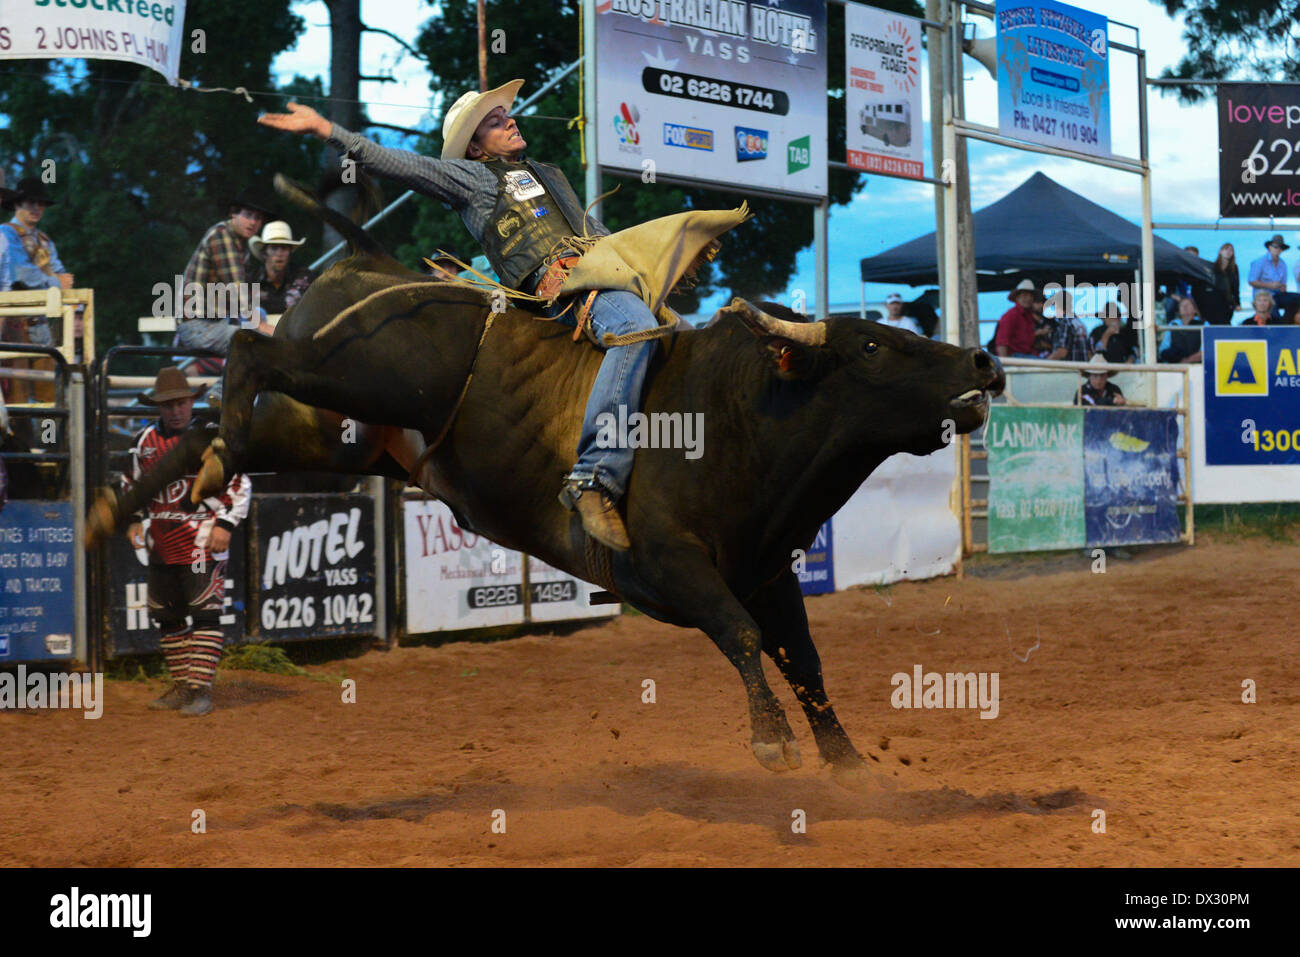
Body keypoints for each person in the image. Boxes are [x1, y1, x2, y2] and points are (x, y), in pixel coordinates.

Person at [259, 80, 700, 551]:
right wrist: (327, 128)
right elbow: (402, 164)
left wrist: (659, 260)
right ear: (473, 146)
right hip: (567, 289)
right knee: (636, 329)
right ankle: (595, 476)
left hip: (603, 275)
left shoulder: (550, 175)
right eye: (494, 121)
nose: (509, 120)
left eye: (506, 115)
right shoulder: (472, 179)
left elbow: (600, 235)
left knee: (691, 344)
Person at [124, 367, 250, 717]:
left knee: (205, 614)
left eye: (181, 403)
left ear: (191, 403)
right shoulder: (144, 443)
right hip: (162, 542)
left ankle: (199, 689)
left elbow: (239, 482)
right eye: (168, 405)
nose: (175, 410)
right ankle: (183, 685)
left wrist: (225, 523)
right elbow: (131, 484)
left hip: (202, 541)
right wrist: (134, 519)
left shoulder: (211, 440)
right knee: (168, 616)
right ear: (158, 408)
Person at [0, 177, 71, 404]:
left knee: (48, 394)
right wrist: (55, 283)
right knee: (16, 395)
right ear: (16, 204)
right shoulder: (5, 233)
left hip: (41, 325)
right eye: (30, 202)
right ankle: (21, 439)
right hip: (13, 324)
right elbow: (20, 272)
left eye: (40, 203)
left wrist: (57, 281)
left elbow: (64, 275)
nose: (36, 208)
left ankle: (46, 439)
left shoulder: (44, 240)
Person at [248, 220, 313, 318]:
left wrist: (261, 298)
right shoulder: (251, 278)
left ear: (289, 252)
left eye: (284, 248)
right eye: (274, 248)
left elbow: (293, 305)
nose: (279, 253)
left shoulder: (303, 274)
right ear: (264, 253)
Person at [1247, 235, 1293, 317]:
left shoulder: (1283, 264)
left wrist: (1282, 287)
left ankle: (1288, 321)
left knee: (1297, 299)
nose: (1278, 249)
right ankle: (1281, 323)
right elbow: (1252, 281)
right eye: (1275, 246)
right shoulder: (1259, 262)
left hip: (1278, 295)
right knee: (1274, 315)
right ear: (1269, 247)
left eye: (1281, 247)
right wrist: (1270, 285)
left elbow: (1284, 285)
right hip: (1264, 296)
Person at [993, 279, 1039, 358]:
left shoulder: (1029, 316)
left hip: (1026, 355)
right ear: (1017, 298)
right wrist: (1005, 363)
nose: (1028, 299)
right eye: (1024, 296)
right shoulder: (1011, 315)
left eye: (1031, 296)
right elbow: (1002, 342)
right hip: (1015, 356)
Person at [1202, 242, 1239, 325]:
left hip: (1227, 303)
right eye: (1226, 249)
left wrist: (1237, 303)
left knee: (1225, 324)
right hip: (1214, 302)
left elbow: (1236, 287)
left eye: (1231, 250)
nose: (1228, 252)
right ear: (1220, 251)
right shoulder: (1213, 267)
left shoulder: (1234, 268)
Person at [1160, 296, 1203, 363]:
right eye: (1182, 305)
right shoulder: (1172, 324)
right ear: (1179, 311)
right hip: (1175, 367)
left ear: (1195, 310)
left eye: (1188, 305)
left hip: (1197, 367)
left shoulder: (1204, 324)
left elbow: (1205, 351)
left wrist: (1186, 361)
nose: (1185, 307)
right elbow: (1163, 349)